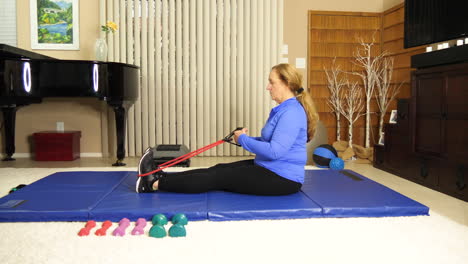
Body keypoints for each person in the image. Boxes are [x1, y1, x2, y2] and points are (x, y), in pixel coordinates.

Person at [136, 63, 319, 195]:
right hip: (269, 168)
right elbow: (269, 142)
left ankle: (153, 184)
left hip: (283, 179)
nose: (267, 87)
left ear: (287, 84)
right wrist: (245, 138)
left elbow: (275, 151)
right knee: (218, 168)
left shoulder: (291, 113)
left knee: (218, 177)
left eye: (272, 82)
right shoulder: (284, 109)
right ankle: (161, 176)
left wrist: (244, 140)